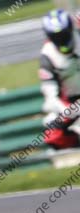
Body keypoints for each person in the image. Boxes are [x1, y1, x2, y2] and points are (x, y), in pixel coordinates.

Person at [40, 9, 80, 149]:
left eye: (63, 35)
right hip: (72, 103)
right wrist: (71, 110)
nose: (61, 39)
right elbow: (51, 97)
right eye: (56, 36)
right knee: (51, 133)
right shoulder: (47, 57)